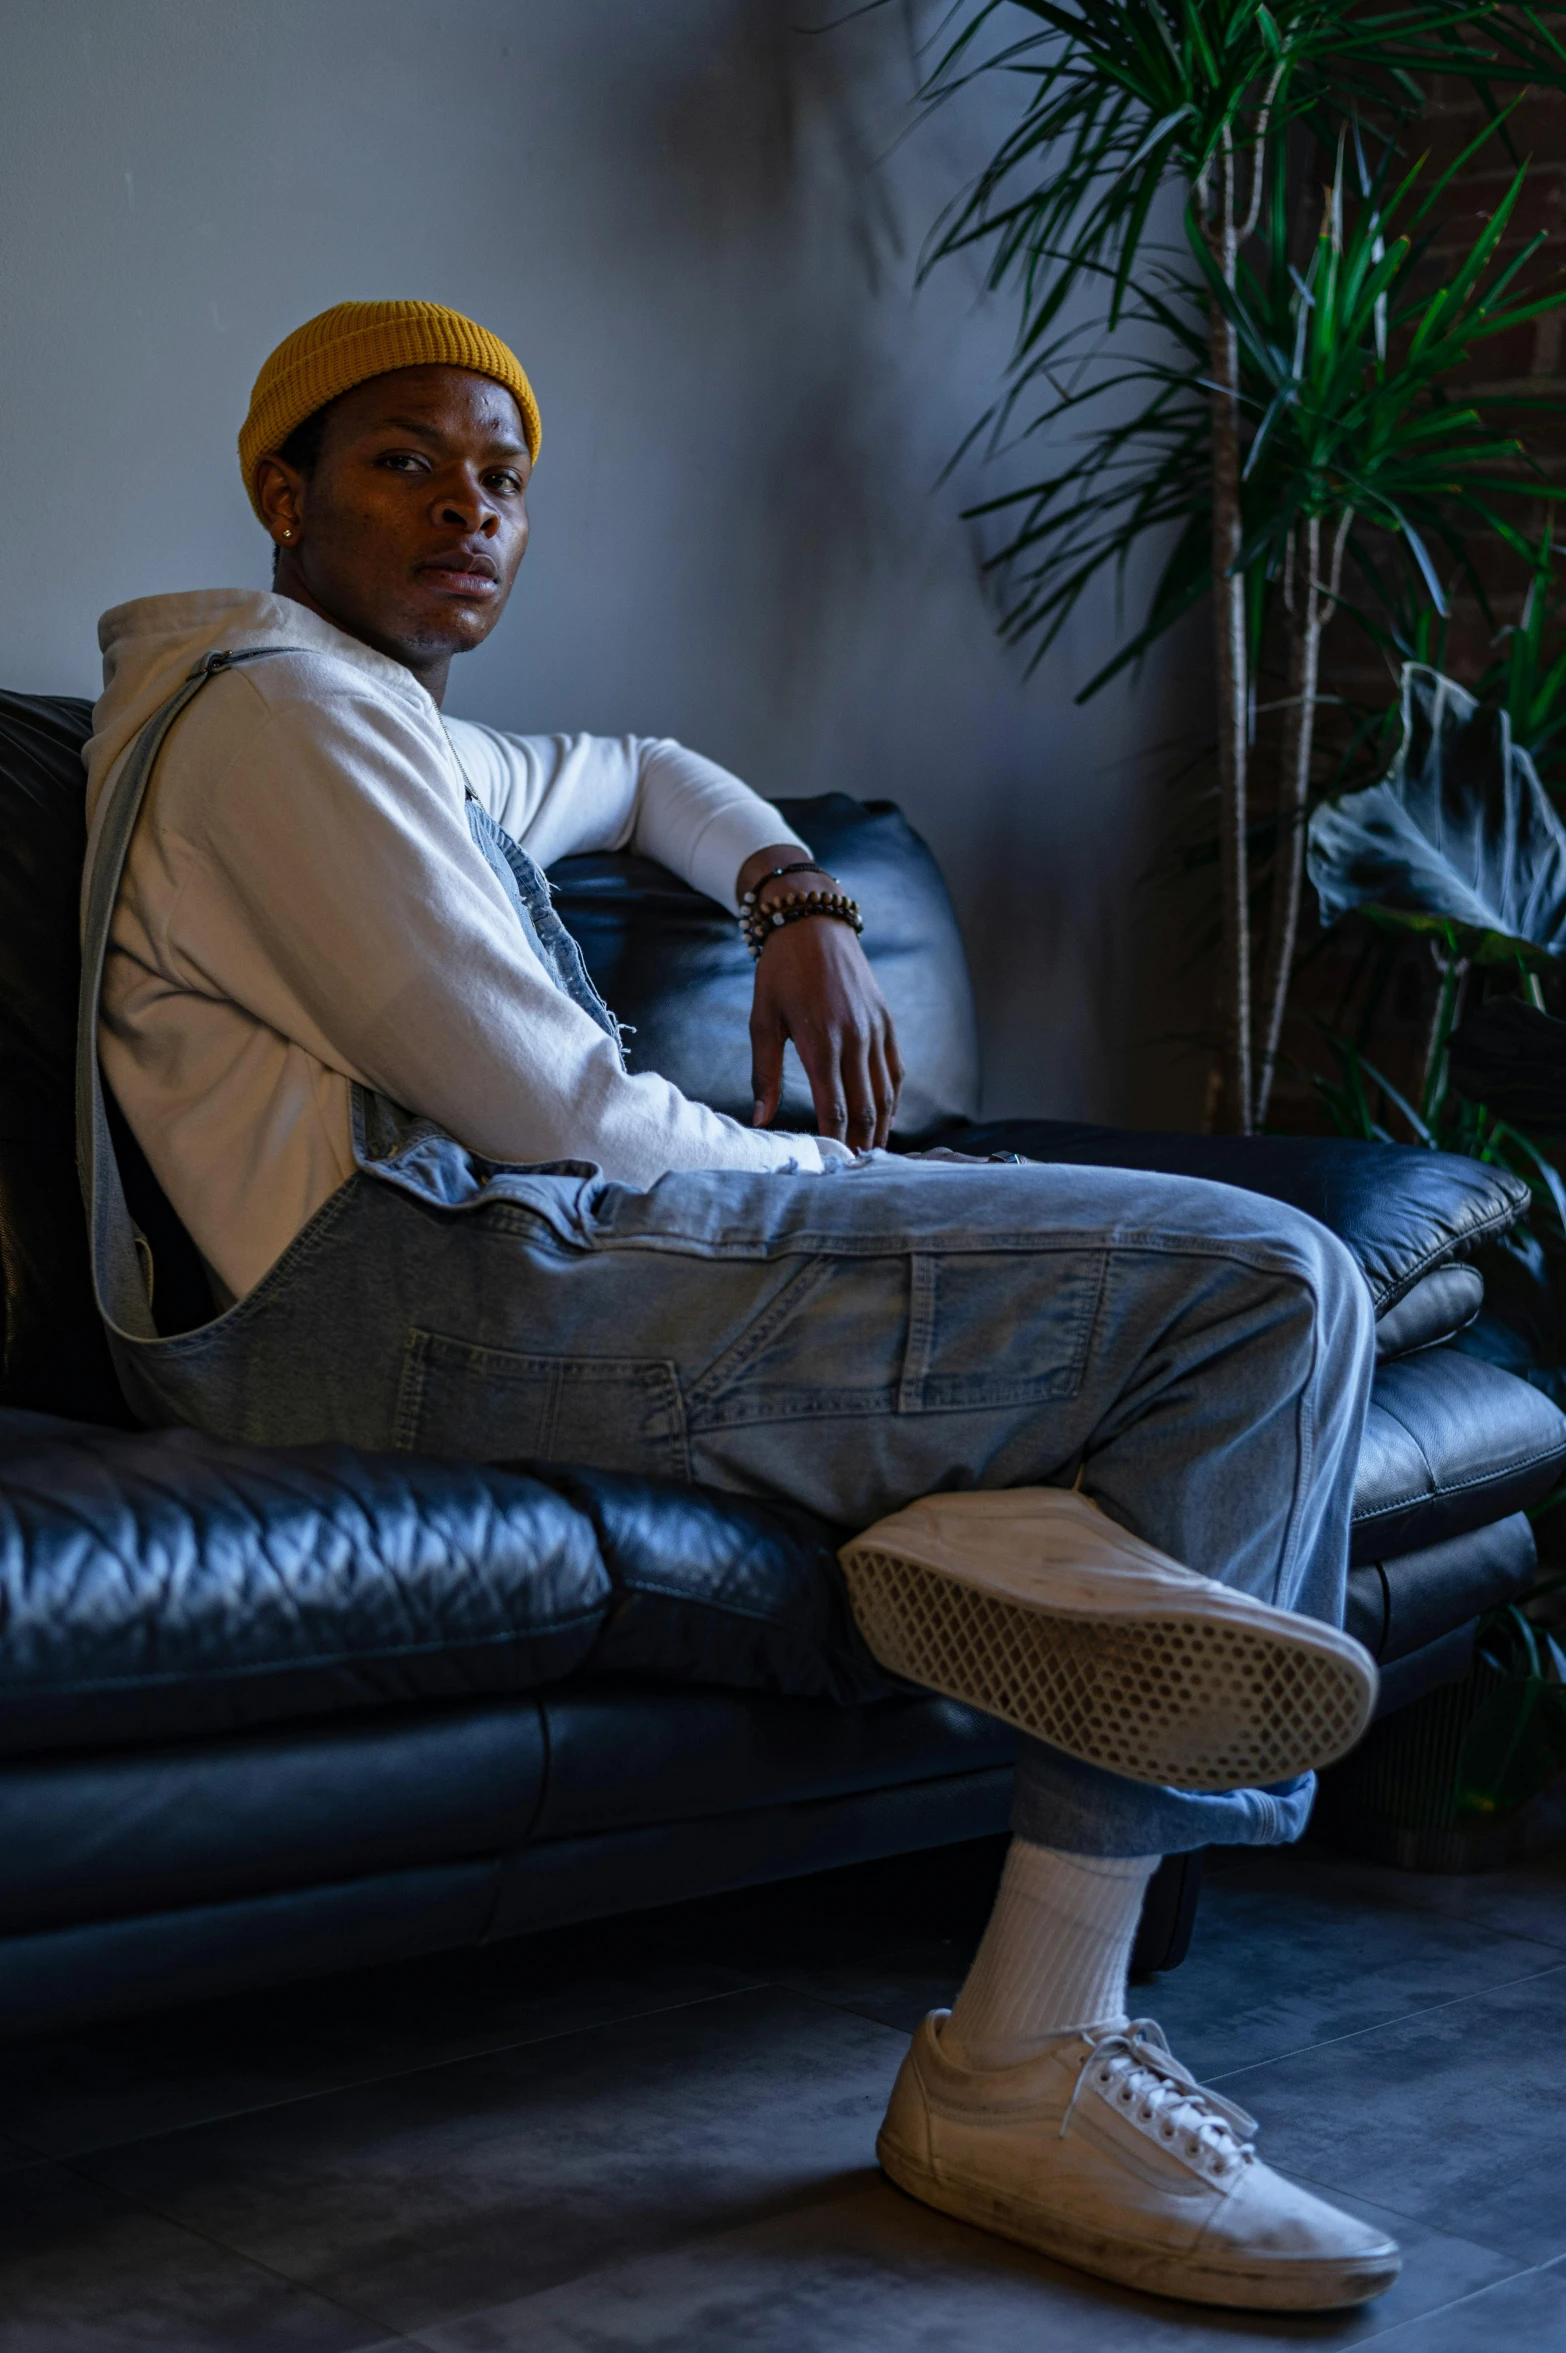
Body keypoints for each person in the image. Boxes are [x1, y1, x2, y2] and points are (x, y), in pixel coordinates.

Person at [80, 300, 1398, 2312]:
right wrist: (869, 1184)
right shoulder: (277, 724)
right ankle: (1027, 2056)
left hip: (498, 1267)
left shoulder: (387, 725)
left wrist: (796, 904)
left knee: (1222, 1296)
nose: (468, 511)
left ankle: (982, 1515)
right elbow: (566, 1114)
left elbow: (641, 773)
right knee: (1267, 1287)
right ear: (281, 488)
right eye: (403, 462)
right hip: (400, 1299)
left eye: (505, 478)